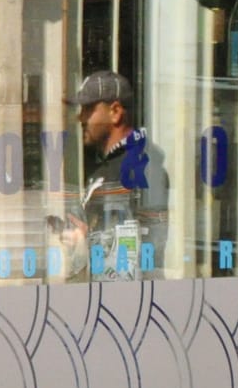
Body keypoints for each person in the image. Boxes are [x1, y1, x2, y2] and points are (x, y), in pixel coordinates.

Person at [70, 70, 166, 280]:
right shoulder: (103, 166)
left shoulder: (143, 165)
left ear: (115, 111)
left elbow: (153, 245)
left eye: (88, 109)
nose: (81, 118)